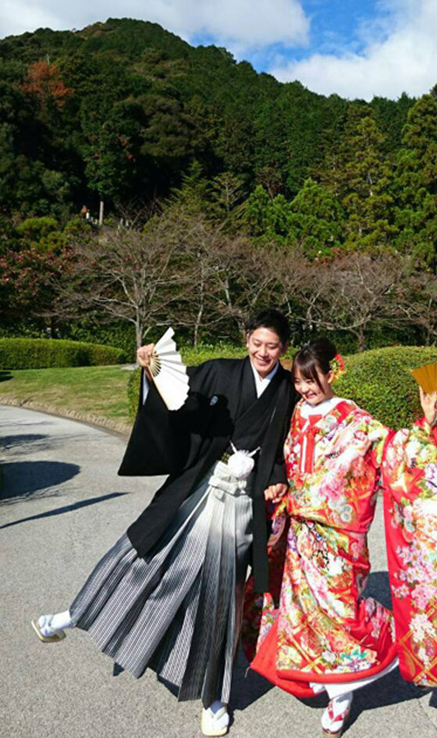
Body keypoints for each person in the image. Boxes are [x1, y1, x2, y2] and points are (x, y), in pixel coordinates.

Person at [33, 308, 296, 737]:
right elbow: (179, 402)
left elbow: (286, 446)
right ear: (246, 339)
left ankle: (214, 697)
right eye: (257, 343)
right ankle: (72, 615)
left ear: (283, 348)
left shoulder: (287, 389)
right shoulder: (219, 372)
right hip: (200, 486)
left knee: (222, 599)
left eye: (272, 346)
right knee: (143, 558)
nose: (263, 353)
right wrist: (152, 372)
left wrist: (277, 477)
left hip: (242, 504)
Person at [243, 338, 437, 737]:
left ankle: (359, 677)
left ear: (333, 372)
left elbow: (393, 451)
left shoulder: (354, 418)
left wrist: (425, 426)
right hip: (300, 532)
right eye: (299, 381)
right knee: (304, 613)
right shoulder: (297, 412)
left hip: (339, 536)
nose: (304, 389)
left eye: (312, 380)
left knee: (342, 613)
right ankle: (330, 685)